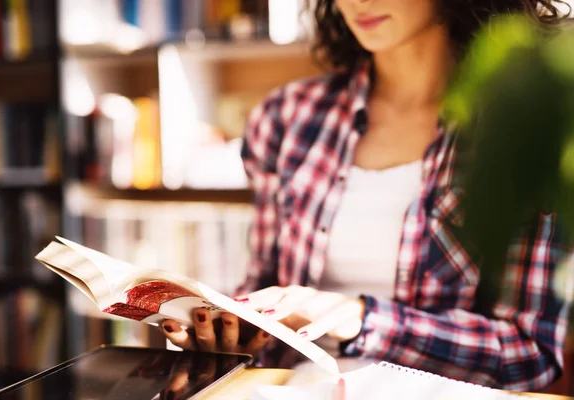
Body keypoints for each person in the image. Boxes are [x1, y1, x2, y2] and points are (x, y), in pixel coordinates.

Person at [160, 0, 572, 391]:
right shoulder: (287, 116)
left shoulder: (522, 126)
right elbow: (264, 293)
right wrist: (231, 333)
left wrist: (359, 319)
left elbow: (529, 353)